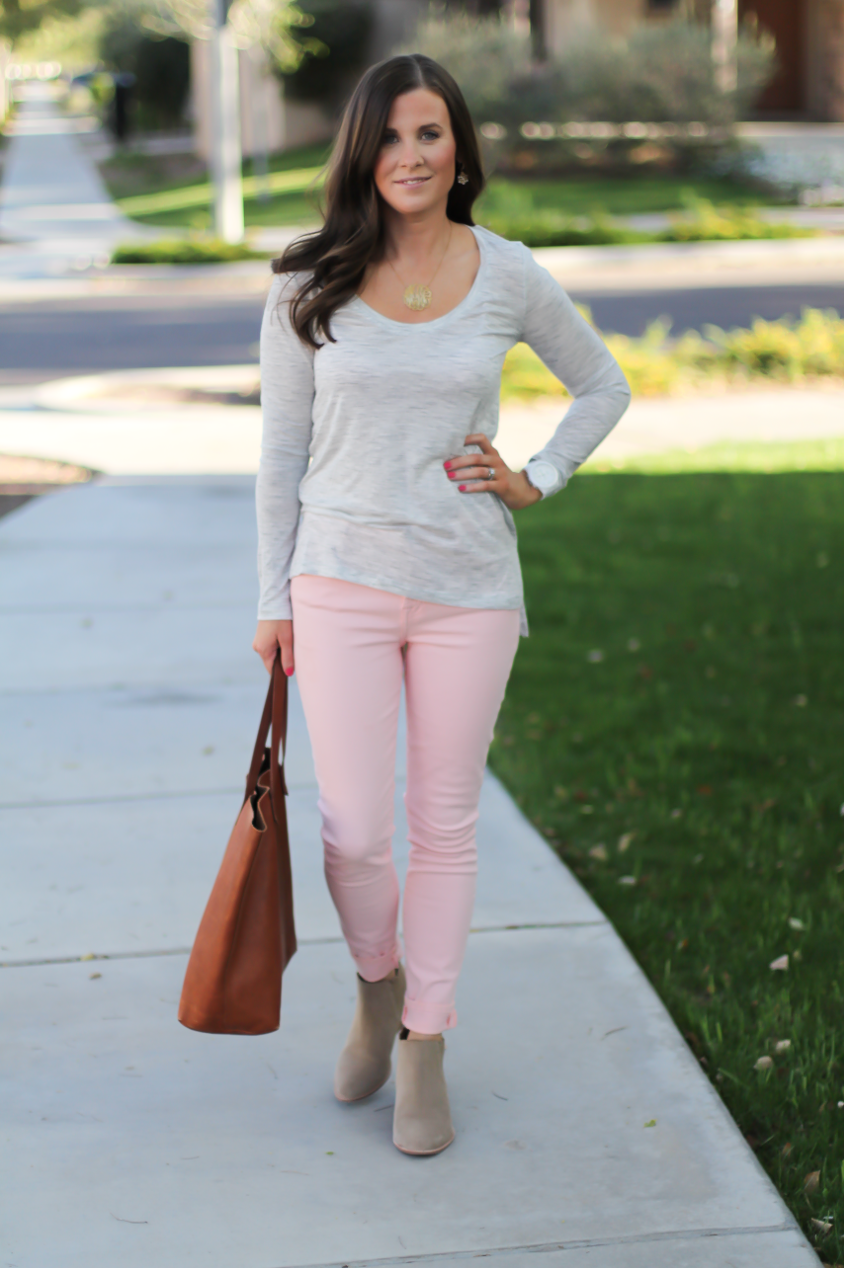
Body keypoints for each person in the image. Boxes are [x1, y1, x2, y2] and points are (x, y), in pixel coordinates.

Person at [253, 53, 630, 1156]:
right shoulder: (303, 279)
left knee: (445, 822)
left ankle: (425, 1038)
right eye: (389, 137)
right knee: (355, 829)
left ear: (458, 147)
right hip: (339, 581)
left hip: (469, 586)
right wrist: (271, 598)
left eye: (429, 134)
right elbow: (279, 452)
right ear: (359, 152)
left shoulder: (507, 272)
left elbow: (601, 383)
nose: (409, 156)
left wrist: (536, 476)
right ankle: (377, 985)